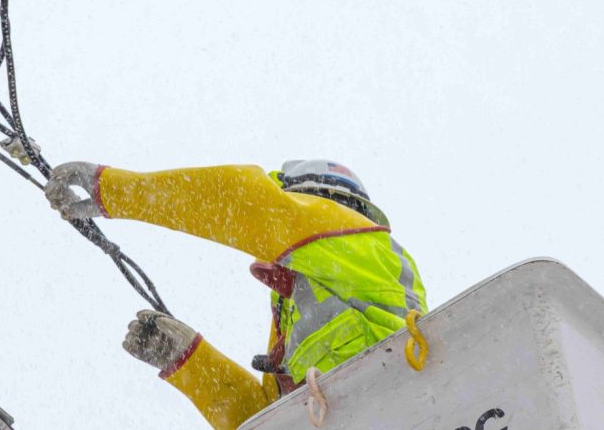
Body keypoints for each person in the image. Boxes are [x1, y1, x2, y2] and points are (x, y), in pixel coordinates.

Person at [45, 159, 427, 430]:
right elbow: (268, 420)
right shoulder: (299, 314)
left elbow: (243, 202)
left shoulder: (358, 243)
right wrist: (190, 362)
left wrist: (113, 190)